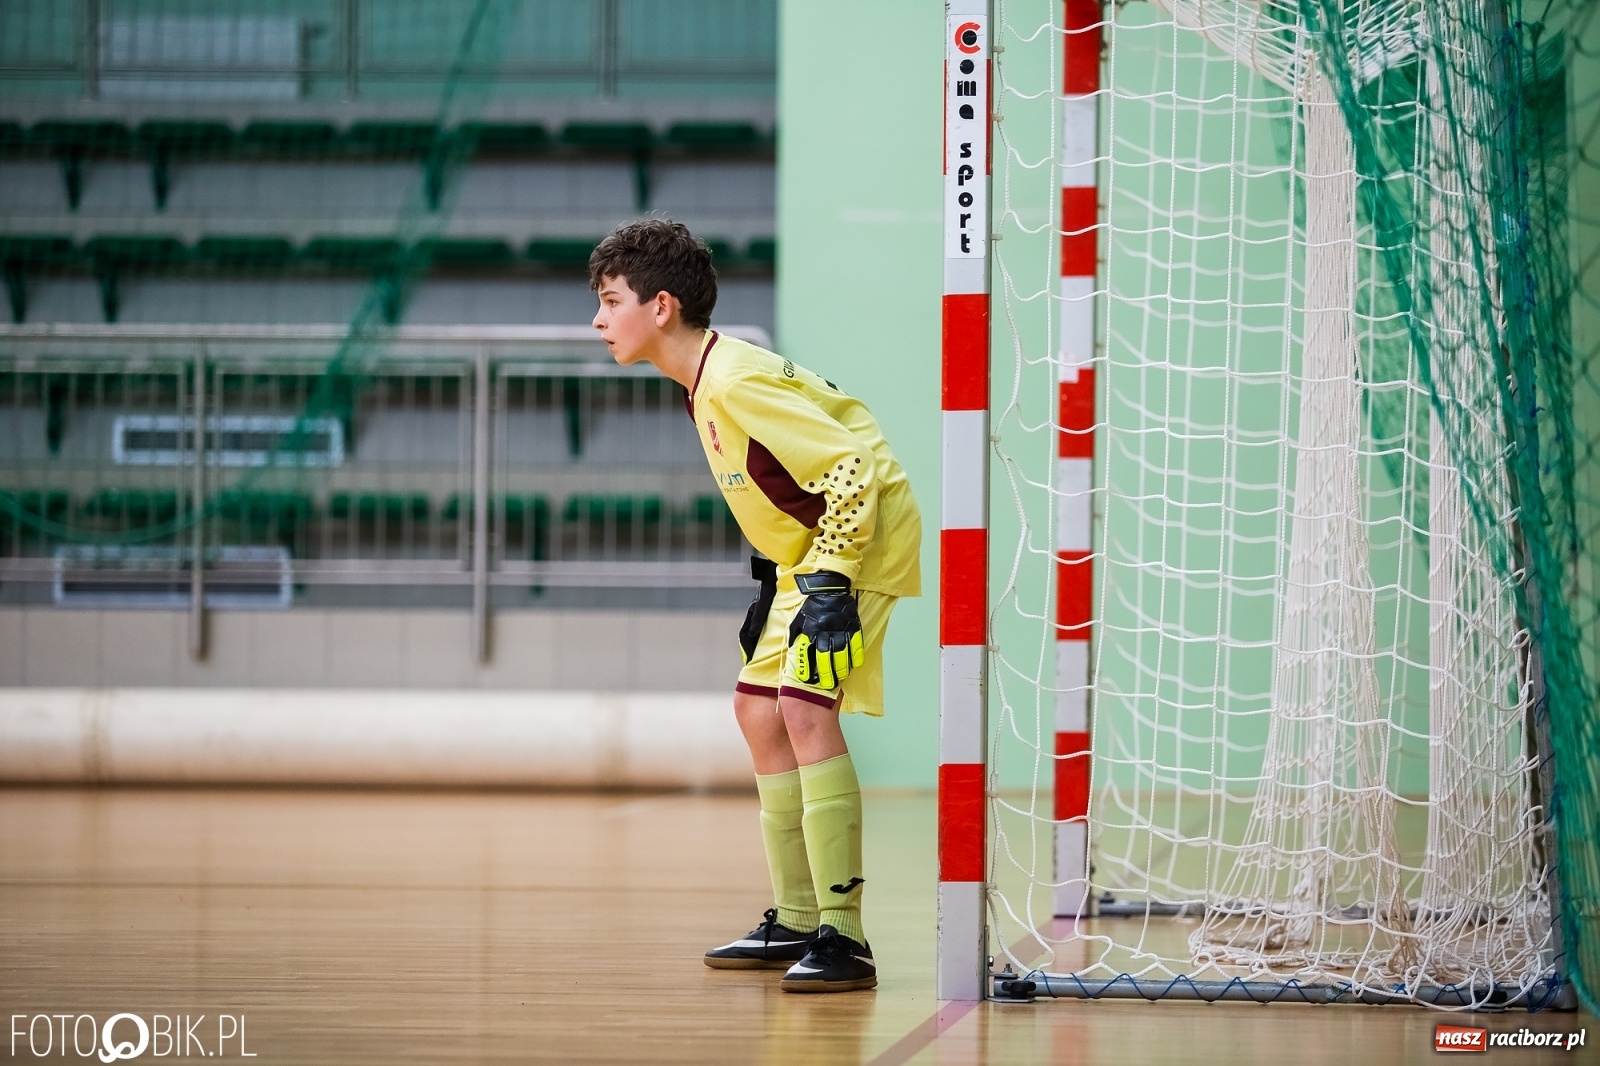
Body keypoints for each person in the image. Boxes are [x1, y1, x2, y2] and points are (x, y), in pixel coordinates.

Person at [589, 219, 921, 993]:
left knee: (803, 708)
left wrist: (830, 585)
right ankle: (798, 916)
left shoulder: (732, 380)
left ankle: (845, 937)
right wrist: (777, 577)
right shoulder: (703, 379)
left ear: (661, 306)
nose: (598, 320)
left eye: (610, 301)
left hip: (862, 542)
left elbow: (850, 471)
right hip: (810, 554)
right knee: (758, 712)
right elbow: (783, 483)